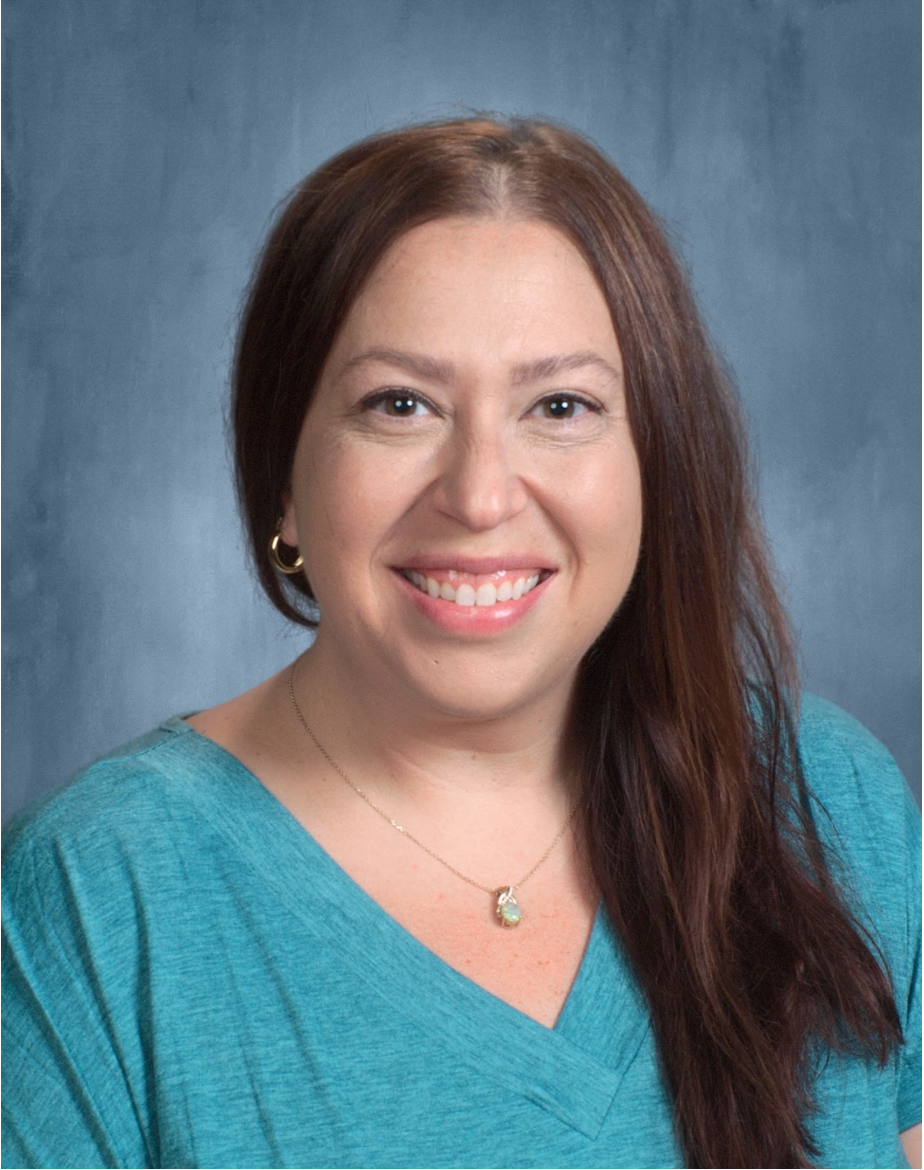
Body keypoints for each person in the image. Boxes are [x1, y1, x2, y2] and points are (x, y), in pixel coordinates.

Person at [2, 116, 920, 1170]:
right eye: (400, 405)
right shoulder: (99, 896)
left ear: (653, 464)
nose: (481, 495)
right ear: (285, 483)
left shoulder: (829, 799)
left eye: (561, 406)